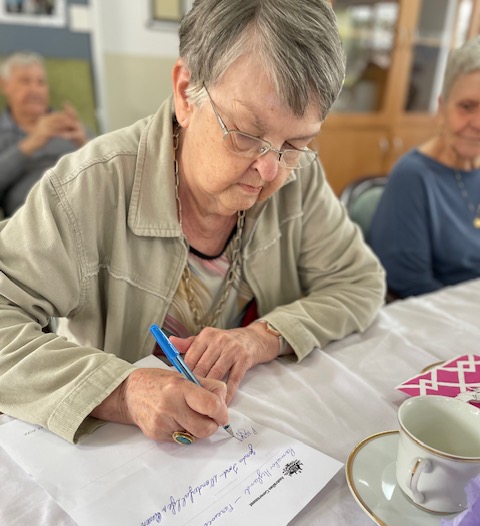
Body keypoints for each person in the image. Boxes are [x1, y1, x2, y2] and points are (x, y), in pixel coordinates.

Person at [0, 0, 385, 446]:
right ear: (186, 92)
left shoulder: (297, 179)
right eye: (246, 134)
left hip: (247, 445)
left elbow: (359, 282)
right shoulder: (89, 187)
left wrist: (261, 337)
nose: (269, 171)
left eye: (296, 143)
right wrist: (121, 392)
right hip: (116, 459)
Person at [369, 36, 480, 298]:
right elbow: (410, 286)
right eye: (467, 107)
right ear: (442, 108)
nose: (478, 123)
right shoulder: (413, 177)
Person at [0, 51, 90, 218]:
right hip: (31, 221)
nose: (35, 90)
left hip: (84, 209)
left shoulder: (72, 126)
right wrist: (31, 143)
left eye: (41, 82)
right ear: (5, 85)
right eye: (25, 81)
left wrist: (85, 144)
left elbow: (109, 173)